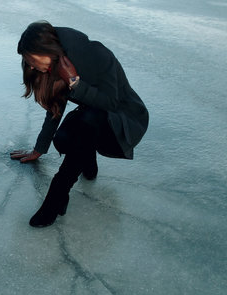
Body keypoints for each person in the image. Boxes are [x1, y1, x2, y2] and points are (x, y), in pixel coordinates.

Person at [10, 21, 149, 227]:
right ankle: (87, 161)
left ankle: (56, 198)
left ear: (46, 51)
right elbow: (55, 110)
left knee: (88, 121)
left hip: (125, 122)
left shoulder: (96, 55)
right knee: (63, 138)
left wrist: (75, 82)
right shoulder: (54, 64)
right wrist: (39, 149)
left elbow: (111, 103)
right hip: (92, 120)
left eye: (31, 60)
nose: (30, 66)